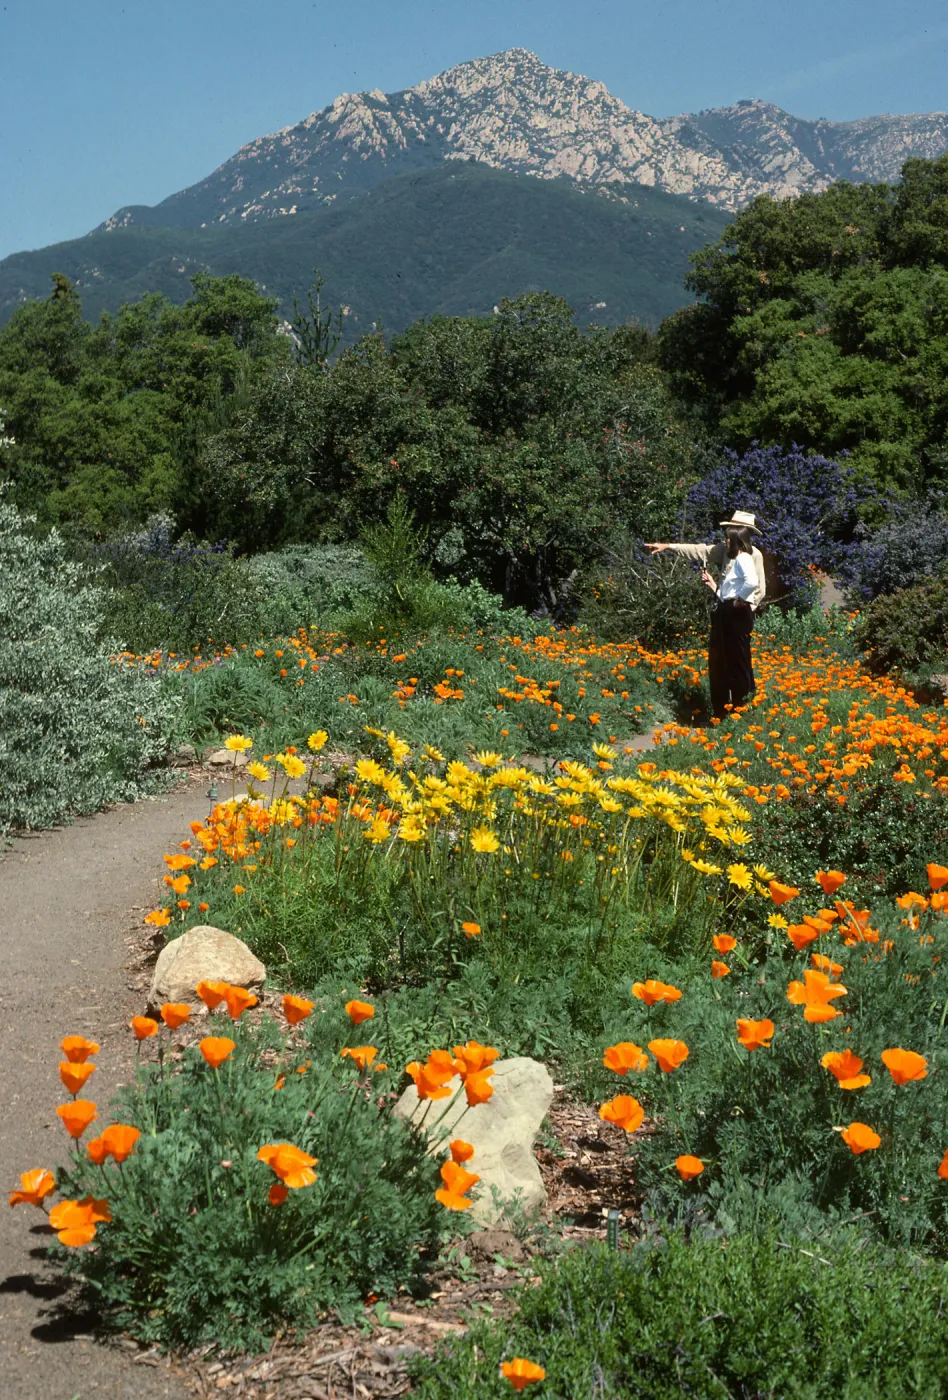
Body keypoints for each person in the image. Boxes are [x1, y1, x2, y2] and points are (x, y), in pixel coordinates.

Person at [646, 510, 766, 718]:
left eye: (730, 533)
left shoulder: (751, 556)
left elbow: (758, 588)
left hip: (737, 614)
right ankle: (723, 711)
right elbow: (700, 551)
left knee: (738, 664)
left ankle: (741, 710)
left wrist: (742, 606)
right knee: (720, 663)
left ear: (741, 534)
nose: (725, 537)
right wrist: (669, 547)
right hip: (725, 611)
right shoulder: (726, 551)